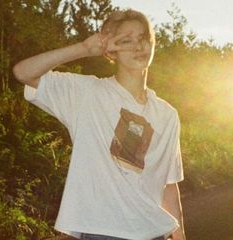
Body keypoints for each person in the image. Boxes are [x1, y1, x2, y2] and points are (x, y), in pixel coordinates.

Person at [13, 8, 186, 240]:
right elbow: (23, 72)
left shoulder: (167, 114)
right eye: (126, 39)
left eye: (144, 38)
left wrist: (181, 236)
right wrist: (84, 49)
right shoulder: (86, 93)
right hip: (101, 232)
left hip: (154, 232)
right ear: (111, 51)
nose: (138, 45)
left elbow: (168, 185)